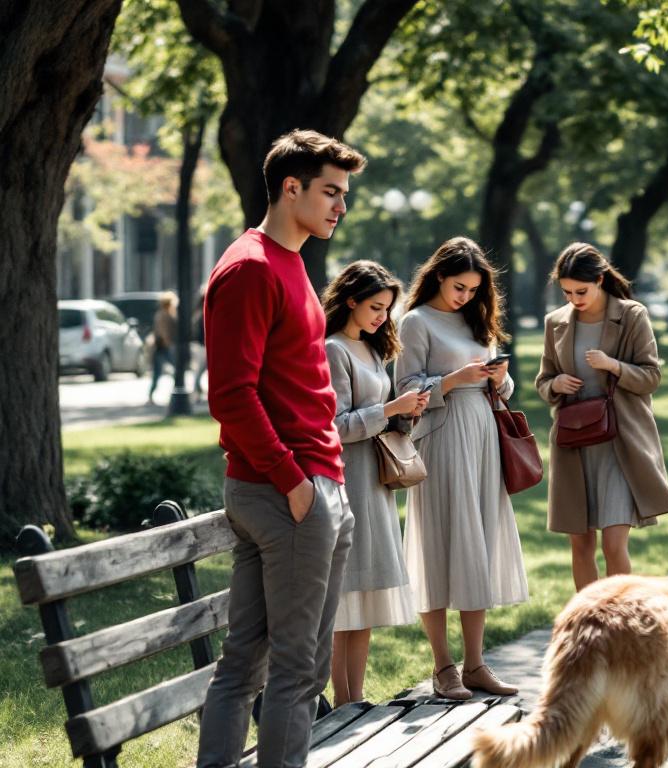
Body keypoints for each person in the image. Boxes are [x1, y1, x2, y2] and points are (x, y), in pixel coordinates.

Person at [197, 129, 364, 768]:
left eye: (343, 194)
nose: (340, 206)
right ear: (289, 187)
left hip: (311, 483)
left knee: (249, 660)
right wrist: (295, 483)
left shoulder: (289, 260)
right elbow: (232, 396)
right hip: (285, 489)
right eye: (330, 191)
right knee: (297, 671)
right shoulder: (249, 267)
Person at [395, 237, 529, 700]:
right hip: (441, 437)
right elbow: (406, 391)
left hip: (483, 436)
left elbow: (506, 389)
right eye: (459, 287)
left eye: (473, 289)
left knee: (480, 546)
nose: (465, 297)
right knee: (440, 544)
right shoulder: (415, 322)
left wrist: (498, 377)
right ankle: (443, 666)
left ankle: (476, 663)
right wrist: (452, 380)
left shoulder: (477, 319)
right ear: (437, 276)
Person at [537, 242, 668, 591]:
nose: (574, 299)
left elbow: (652, 377)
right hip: (573, 446)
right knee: (580, 544)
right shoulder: (555, 322)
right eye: (567, 292)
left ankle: (621, 622)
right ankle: (589, 622)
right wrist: (556, 383)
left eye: (581, 291)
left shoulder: (632, 315)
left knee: (614, 543)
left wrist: (613, 365)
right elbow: (543, 381)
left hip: (620, 443)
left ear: (600, 279)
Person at [321, 260, 428, 707]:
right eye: (376, 307)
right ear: (351, 301)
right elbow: (336, 426)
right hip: (350, 479)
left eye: (387, 308)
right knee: (344, 591)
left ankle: (356, 698)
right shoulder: (333, 350)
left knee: (364, 595)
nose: (382, 316)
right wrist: (388, 410)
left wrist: (406, 411)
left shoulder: (372, 349)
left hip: (376, 480)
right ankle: (340, 698)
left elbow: (376, 414)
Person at [147, 291, 178, 404]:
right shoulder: (163, 315)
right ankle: (175, 393)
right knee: (175, 371)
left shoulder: (165, 313)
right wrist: (168, 343)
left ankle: (151, 395)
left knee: (158, 372)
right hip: (163, 346)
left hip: (162, 346)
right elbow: (163, 331)